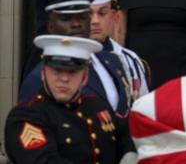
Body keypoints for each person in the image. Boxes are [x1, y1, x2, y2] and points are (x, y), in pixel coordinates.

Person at [5, 35, 136, 163]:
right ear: (43, 74)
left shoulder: (96, 104)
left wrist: (129, 153)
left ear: (85, 77)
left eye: (72, 72)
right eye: (57, 70)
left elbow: (126, 130)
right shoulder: (27, 116)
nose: (64, 79)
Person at [19, 0, 131, 116]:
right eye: (66, 18)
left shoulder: (112, 62)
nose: (76, 24)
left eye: (83, 17)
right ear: (51, 26)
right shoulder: (39, 78)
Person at [88, 0, 149, 100]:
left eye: (102, 13)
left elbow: (142, 110)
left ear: (114, 17)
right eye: (88, 13)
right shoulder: (66, 58)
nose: (95, 21)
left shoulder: (131, 61)